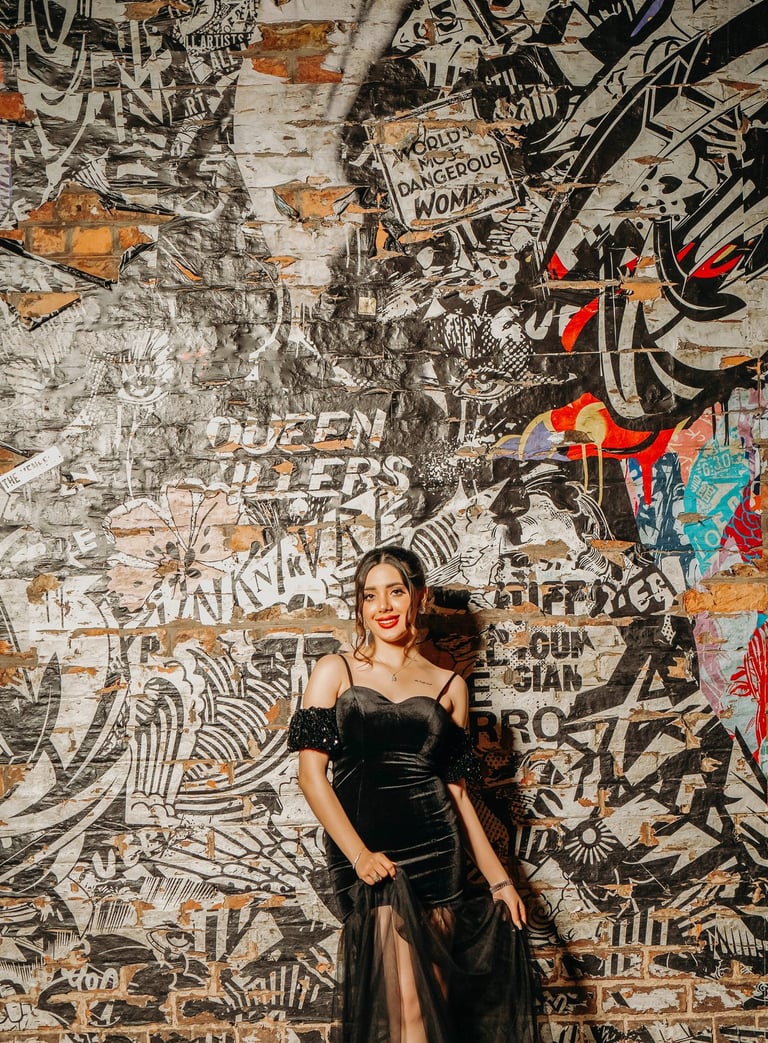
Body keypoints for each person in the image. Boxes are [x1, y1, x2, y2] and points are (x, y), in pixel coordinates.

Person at [288, 545, 540, 1043]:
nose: (383, 606)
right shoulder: (335, 670)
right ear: (360, 606)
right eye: (369, 596)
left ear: (418, 598)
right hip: (369, 853)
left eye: (395, 592)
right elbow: (310, 776)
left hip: (435, 847)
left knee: (428, 1005)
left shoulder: (449, 685)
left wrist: (500, 881)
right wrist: (357, 855)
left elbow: (460, 796)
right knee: (403, 1010)